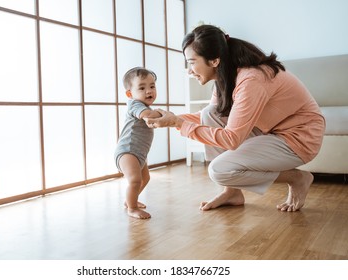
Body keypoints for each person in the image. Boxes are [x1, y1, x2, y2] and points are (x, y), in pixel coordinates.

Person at [144, 25, 325, 212]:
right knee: (209, 113)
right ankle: (232, 192)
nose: (189, 70)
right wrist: (169, 118)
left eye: (191, 62)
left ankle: (297, 178)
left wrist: (177, 123)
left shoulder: (251, 79)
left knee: (219, 171)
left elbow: (231, 139)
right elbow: (208, 116)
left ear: (214, 60)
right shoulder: (227, 76)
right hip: (271, 131)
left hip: (299, 138)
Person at [114, 67, 162, 219]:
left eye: (152, 86)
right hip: (127, 151)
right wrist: (162, 113)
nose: (149, 91)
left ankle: (130, 200)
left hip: (139, 153)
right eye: (142, 88)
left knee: (145, 178)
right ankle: (132, 208)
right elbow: (147, 116)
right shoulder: (135, 105)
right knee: (135, 180)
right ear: (130, 94)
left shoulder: (144, 105)